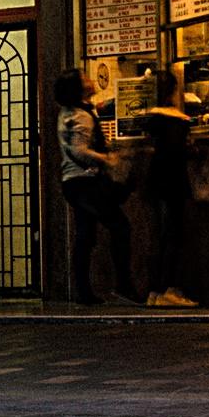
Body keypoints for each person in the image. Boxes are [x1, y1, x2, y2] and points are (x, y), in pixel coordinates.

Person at [54, 71, 137, 305]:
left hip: (74, 183)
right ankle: (123, 286)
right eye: (84, 78)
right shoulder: (81, 115)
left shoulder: (71, 113)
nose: (90, 80)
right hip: (84, 183)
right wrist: (106, 159)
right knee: (120, 227)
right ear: (78, 88)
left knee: (86, 235)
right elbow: (78, 150)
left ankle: (84, 292)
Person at [138, 69, 198, 308]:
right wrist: (193, 150)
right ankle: (169, 289)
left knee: (160, 236)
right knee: (174, 234)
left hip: (155, 180)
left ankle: (154, 290)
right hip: (173, 180)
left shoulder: (150, 118)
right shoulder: (176, 120)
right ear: (173, 91)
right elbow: (176, 151)